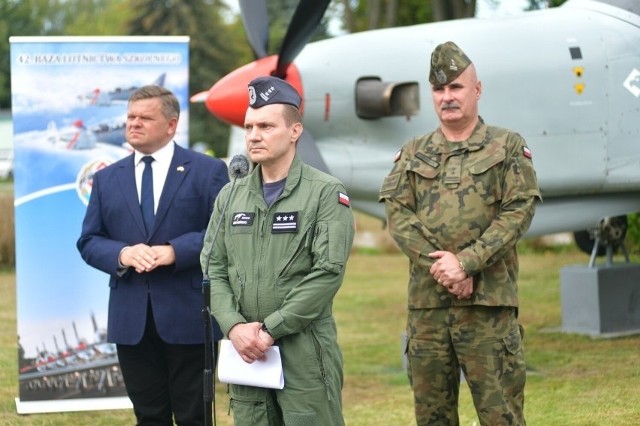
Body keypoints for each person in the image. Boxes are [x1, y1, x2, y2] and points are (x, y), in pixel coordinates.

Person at [378, 41, 541, 425]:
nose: (447, 97)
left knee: (501, 415)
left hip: (489, 310)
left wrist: (467, 264)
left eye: (456, 87)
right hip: (428, 313)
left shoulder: (507, 146)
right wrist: (446, 269)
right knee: (432, 418)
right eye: (439, 89)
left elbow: (519, 210)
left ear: (477, 90)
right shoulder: (413, 153)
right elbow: (398, 215)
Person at [200, 76, 355, 426]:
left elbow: (327, 273)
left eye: (266, 126)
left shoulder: (325, 193)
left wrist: (270, 331)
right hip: (246, 352)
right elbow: (213, 267)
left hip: (304, 351)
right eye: (249, 127)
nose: (254, 135)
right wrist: (234, 327)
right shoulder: (231, 195)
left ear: (295, 131)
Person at [77, 85, 229, 425]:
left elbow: (224, 234)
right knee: (149, 417)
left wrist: (176, 251)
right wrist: (123, 253)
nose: (134, 123)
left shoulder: (207, 171)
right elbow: (88, 241)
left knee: (195, 416)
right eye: (130, 117)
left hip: (189, 317)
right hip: (131, 321)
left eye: (145, 117)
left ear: (171, 125)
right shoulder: (105, 179)